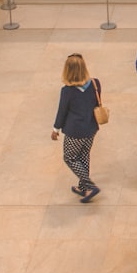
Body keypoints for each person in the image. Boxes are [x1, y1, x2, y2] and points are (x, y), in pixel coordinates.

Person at [51, 54, 102, 202]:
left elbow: (62, 112)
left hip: (75, 131)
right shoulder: (95, 83)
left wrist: (55, 129)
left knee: (70, 157)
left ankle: (89, 185)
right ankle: (83, 188)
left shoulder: (67, 91)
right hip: (91, 127)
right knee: (84, 156)